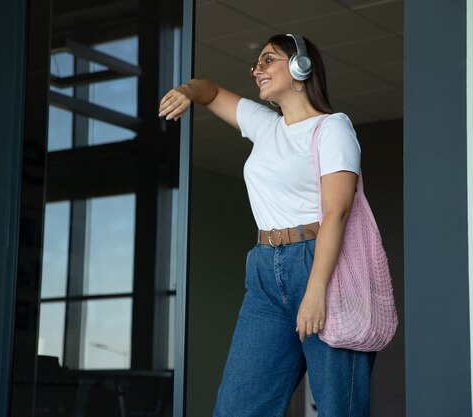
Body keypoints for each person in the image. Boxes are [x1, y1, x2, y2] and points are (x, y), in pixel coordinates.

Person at [158, 34, 376, 417]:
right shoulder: (264, 124)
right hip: (264, 272)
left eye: (267, 60)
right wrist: (186, 91)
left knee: (339, 409)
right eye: (256, 63)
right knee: (238, 408)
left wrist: (316, 290)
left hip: (320, 266)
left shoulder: (332, 128)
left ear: (299, 67)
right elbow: (210, 92)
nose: (256, 69)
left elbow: (337, 212)